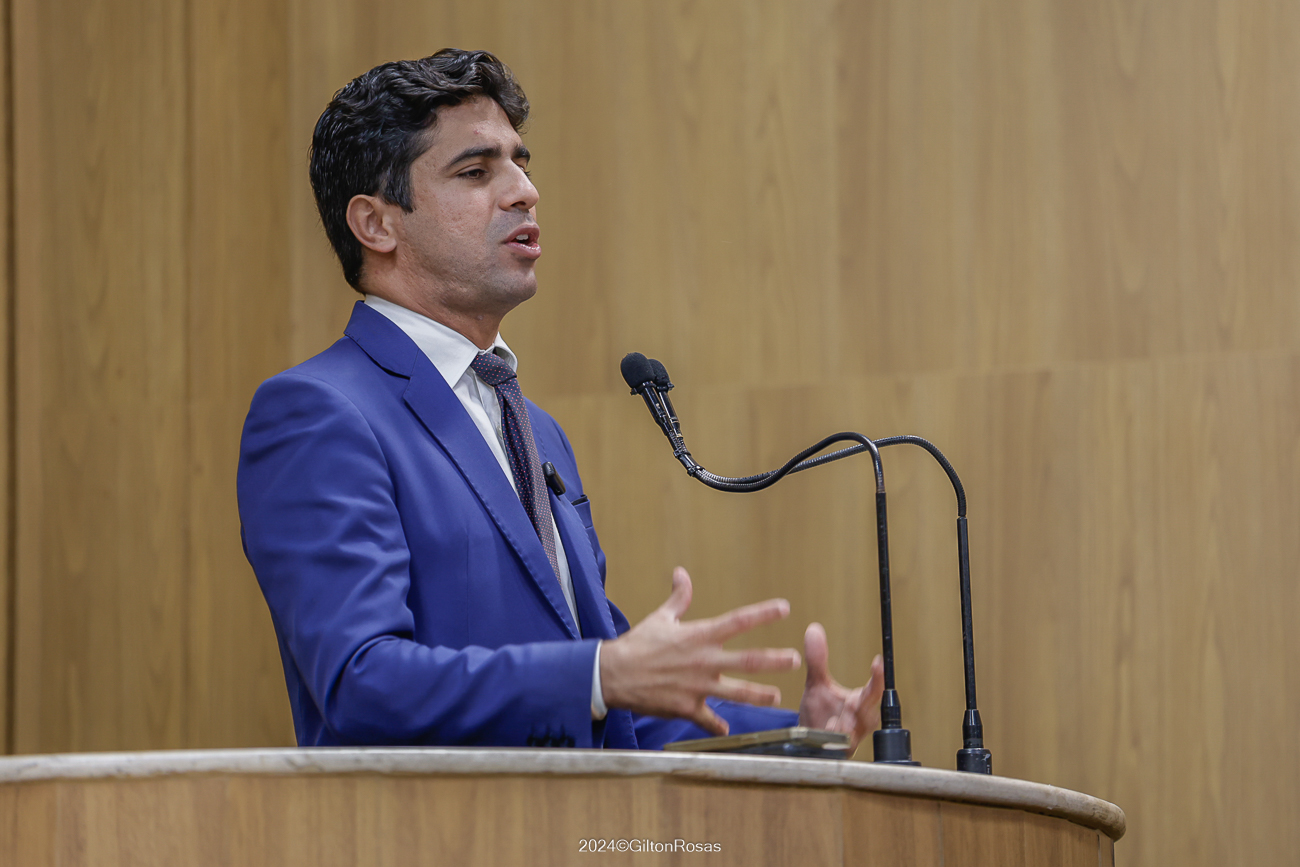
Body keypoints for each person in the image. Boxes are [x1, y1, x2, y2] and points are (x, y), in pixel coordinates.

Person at [238, 48, 884, 750]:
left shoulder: (536, 430)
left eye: (521, 163)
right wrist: (599, 675)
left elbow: (612, 703)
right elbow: (360, 683)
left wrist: (798, 733)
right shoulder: (319, 414)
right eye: (476, 171)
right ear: (376, 224)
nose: (524, 190)